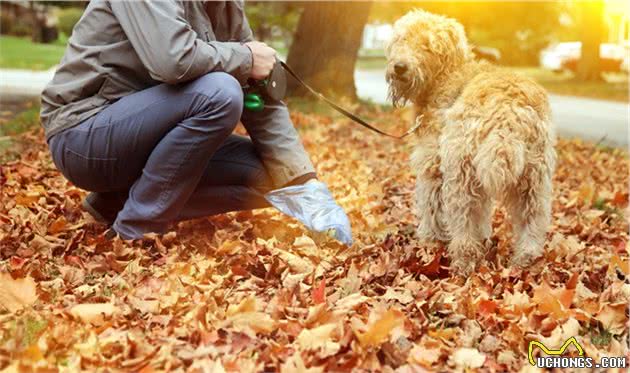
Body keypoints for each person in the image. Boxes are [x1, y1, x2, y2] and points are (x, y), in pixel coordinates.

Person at [40, 1, 352, 245]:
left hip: (145, 138)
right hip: (85, 135)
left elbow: (258, 94)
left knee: (275, 179)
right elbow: (174, 60)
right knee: (220, 93)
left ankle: (117, 202)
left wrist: (303, 182)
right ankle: (136, 230)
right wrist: (245, 57)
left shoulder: (226, 5)